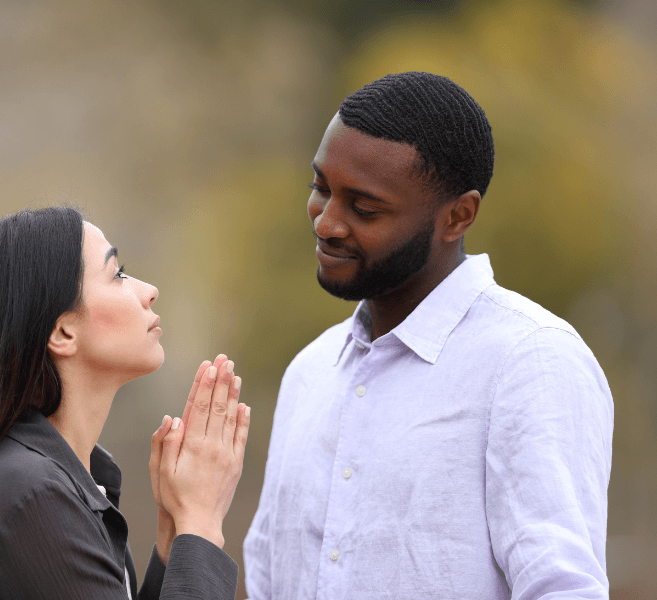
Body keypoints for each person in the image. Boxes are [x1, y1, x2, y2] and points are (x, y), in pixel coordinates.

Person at [243, 72, 613, 599]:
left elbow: (562, 588)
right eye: (320, 189)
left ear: (458, 216)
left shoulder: (530, 362)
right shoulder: (309, 372)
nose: (326, 223)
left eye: (364, 208)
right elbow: (267, 581)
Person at [0, 206, 250, 600]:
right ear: (62, 332)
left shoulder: (53, 481)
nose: (148, 290)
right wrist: (201, 522)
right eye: (118, 275)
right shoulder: (32, 495)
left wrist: (177, 537)